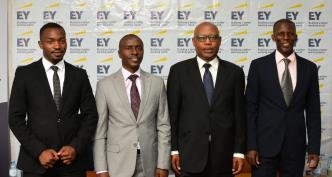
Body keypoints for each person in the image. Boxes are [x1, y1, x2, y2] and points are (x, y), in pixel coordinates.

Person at [9, 22, 98, 177]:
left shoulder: (79, 75)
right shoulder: (24, 74)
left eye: (62, 40)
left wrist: (75, 147)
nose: (57, 46)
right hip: (35, 163)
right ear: (40, 44)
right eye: (50, 41)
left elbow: (90, 116)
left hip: (72, 163)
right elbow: (15, 119)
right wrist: (39, 151)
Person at [167, 21, 246, 177]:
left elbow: (239, 116)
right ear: (194, 41)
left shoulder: (234, 72)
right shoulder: (178, 71)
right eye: (202, 38)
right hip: (188, 155)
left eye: (213, 37)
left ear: (220, 40)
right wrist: (174, 149)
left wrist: (239, 152)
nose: (208, 42)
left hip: (224, 157)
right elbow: (172, 115)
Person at [246, 18, 321, 177]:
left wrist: (314, 149)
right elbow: (250, 109)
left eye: (290, 34)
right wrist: (251, 145)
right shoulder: (258, 66)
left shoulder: (310, 68)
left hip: (295, 148)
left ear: (296, 37)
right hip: (263, 148)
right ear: (273, 37)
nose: (286, 37)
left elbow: (313, 112)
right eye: (281, 34)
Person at [93, 34, 171, 177]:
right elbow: (100, 130)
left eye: (138, 48)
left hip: (150, 161)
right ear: (119, 53)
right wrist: (101, 168)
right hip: (117, 162)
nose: (134, 52)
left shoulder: (157, 83)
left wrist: (163, 163)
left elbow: (163, 126)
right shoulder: (105, 85)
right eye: (129, 48)